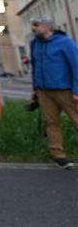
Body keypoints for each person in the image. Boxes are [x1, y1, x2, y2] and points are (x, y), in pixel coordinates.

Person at [28, 17, 78, 169]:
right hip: (44, 91)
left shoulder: (65, 42)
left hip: (65, 90)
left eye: (36, 25)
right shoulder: (34, 44)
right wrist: (35, 88)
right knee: (51, 123)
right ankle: (58, 156)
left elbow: (76, 65)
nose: (33, 28)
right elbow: (35, 66)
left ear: (47, 27)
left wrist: (76, 90)